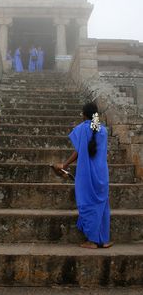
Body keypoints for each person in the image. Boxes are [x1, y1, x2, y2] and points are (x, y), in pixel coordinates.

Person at [54, 102, 112, 249]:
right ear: (96, 114)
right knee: (102, 205)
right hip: (102, 174)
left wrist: (64, 165)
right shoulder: (103, 130)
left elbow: (78, 152)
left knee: (87, 204)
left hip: (86, 174)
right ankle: (103, 240)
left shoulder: (81, 129)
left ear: (84, 114)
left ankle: (92, 241)